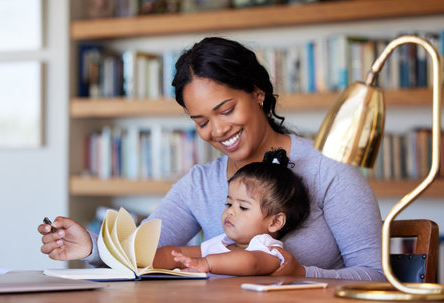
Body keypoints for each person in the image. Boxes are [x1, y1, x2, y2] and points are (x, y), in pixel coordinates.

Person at [39, 36, 384, 280]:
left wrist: (301, 274)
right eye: (201, 122)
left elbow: (377, 275)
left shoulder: (328, 170)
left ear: (258, 93)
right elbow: (144, 251)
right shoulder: (200, 183)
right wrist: (91, 247)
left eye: (226, 110)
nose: (217, 130)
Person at [152, 148, 310, 275]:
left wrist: (206, 263)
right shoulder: (221, 243)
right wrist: (147, 259)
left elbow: (251, 262)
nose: (230, 212)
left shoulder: (268, 249)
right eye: (228, 204)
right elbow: (179, 253)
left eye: (243, 207)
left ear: (275, 222)